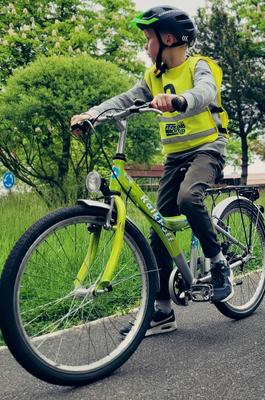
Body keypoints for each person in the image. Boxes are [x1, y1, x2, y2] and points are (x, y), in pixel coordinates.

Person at [70, 6, 232, 336]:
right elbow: (126, 98)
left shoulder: (199, 66)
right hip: (175, 158)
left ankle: (218, 264)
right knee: (160, 227)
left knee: (189, 199)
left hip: (208, 149)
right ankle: (162, 310)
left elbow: (205, 92)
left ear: (168, 38)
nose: (146, 46)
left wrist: (180, 101)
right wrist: (92, 113)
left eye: (148, 38)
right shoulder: (153, 78)